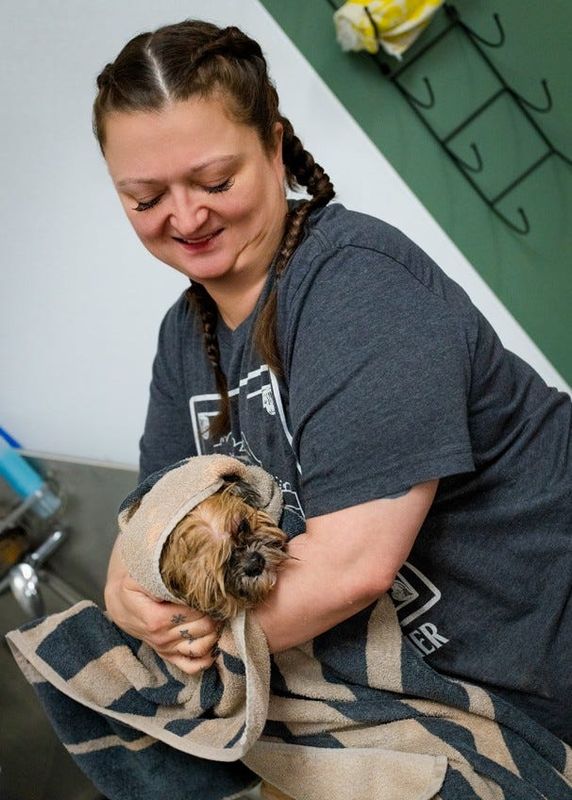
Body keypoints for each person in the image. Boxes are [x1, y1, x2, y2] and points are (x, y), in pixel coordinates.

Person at [95, 18, 571, 752]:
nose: (186, 217)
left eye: (216, 181)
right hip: (455, 708)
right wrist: (126, 598)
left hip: (548, 654)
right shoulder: (181, 338)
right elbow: (150, 526)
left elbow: (352, 568)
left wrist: (193, 645)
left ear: (275, 145)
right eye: (144, 197)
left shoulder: (356, 284)